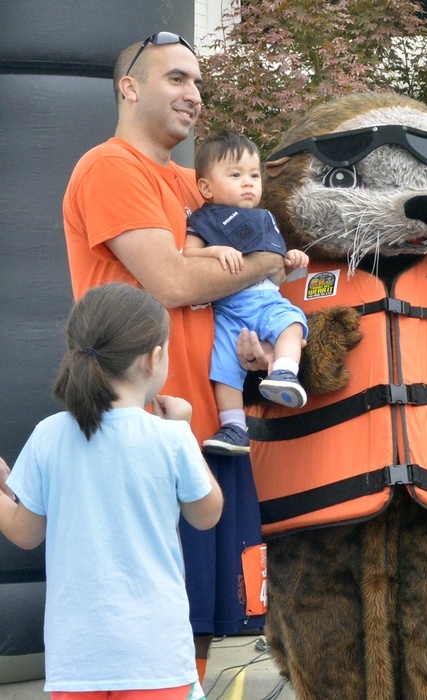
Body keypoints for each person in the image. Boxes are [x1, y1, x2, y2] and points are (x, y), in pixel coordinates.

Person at [62, 32, 282, 682]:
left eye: (198, 84)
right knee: (147, 626)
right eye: (177, 79)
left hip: (208, 432)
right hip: (139, 431)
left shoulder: (197, 184)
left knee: (200, 620)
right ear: (129, 87)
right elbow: (174, 283)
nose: (195, 95)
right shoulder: (110, 167)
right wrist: (265, 260)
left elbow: (260, 267)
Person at [0, 282, 223, 699]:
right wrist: (186, 432)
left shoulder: (47, 436)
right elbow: (207, 513)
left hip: (76, 662)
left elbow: (24, 533)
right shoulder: (169, 438)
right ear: (154, 357)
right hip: (156, 659)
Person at [184, 132, 310, 455]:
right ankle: (234, 427)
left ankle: (284, 372)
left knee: (292, 322)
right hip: (226, 309)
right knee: (223, 365)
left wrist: (292, 260)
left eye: (254, 175)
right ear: (206, 188)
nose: (248, 183)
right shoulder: (202, 220)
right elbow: (185, 254)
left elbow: (276, 271)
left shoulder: (265, 217)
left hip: (265, 298)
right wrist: (214, 252)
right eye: (236, 175)